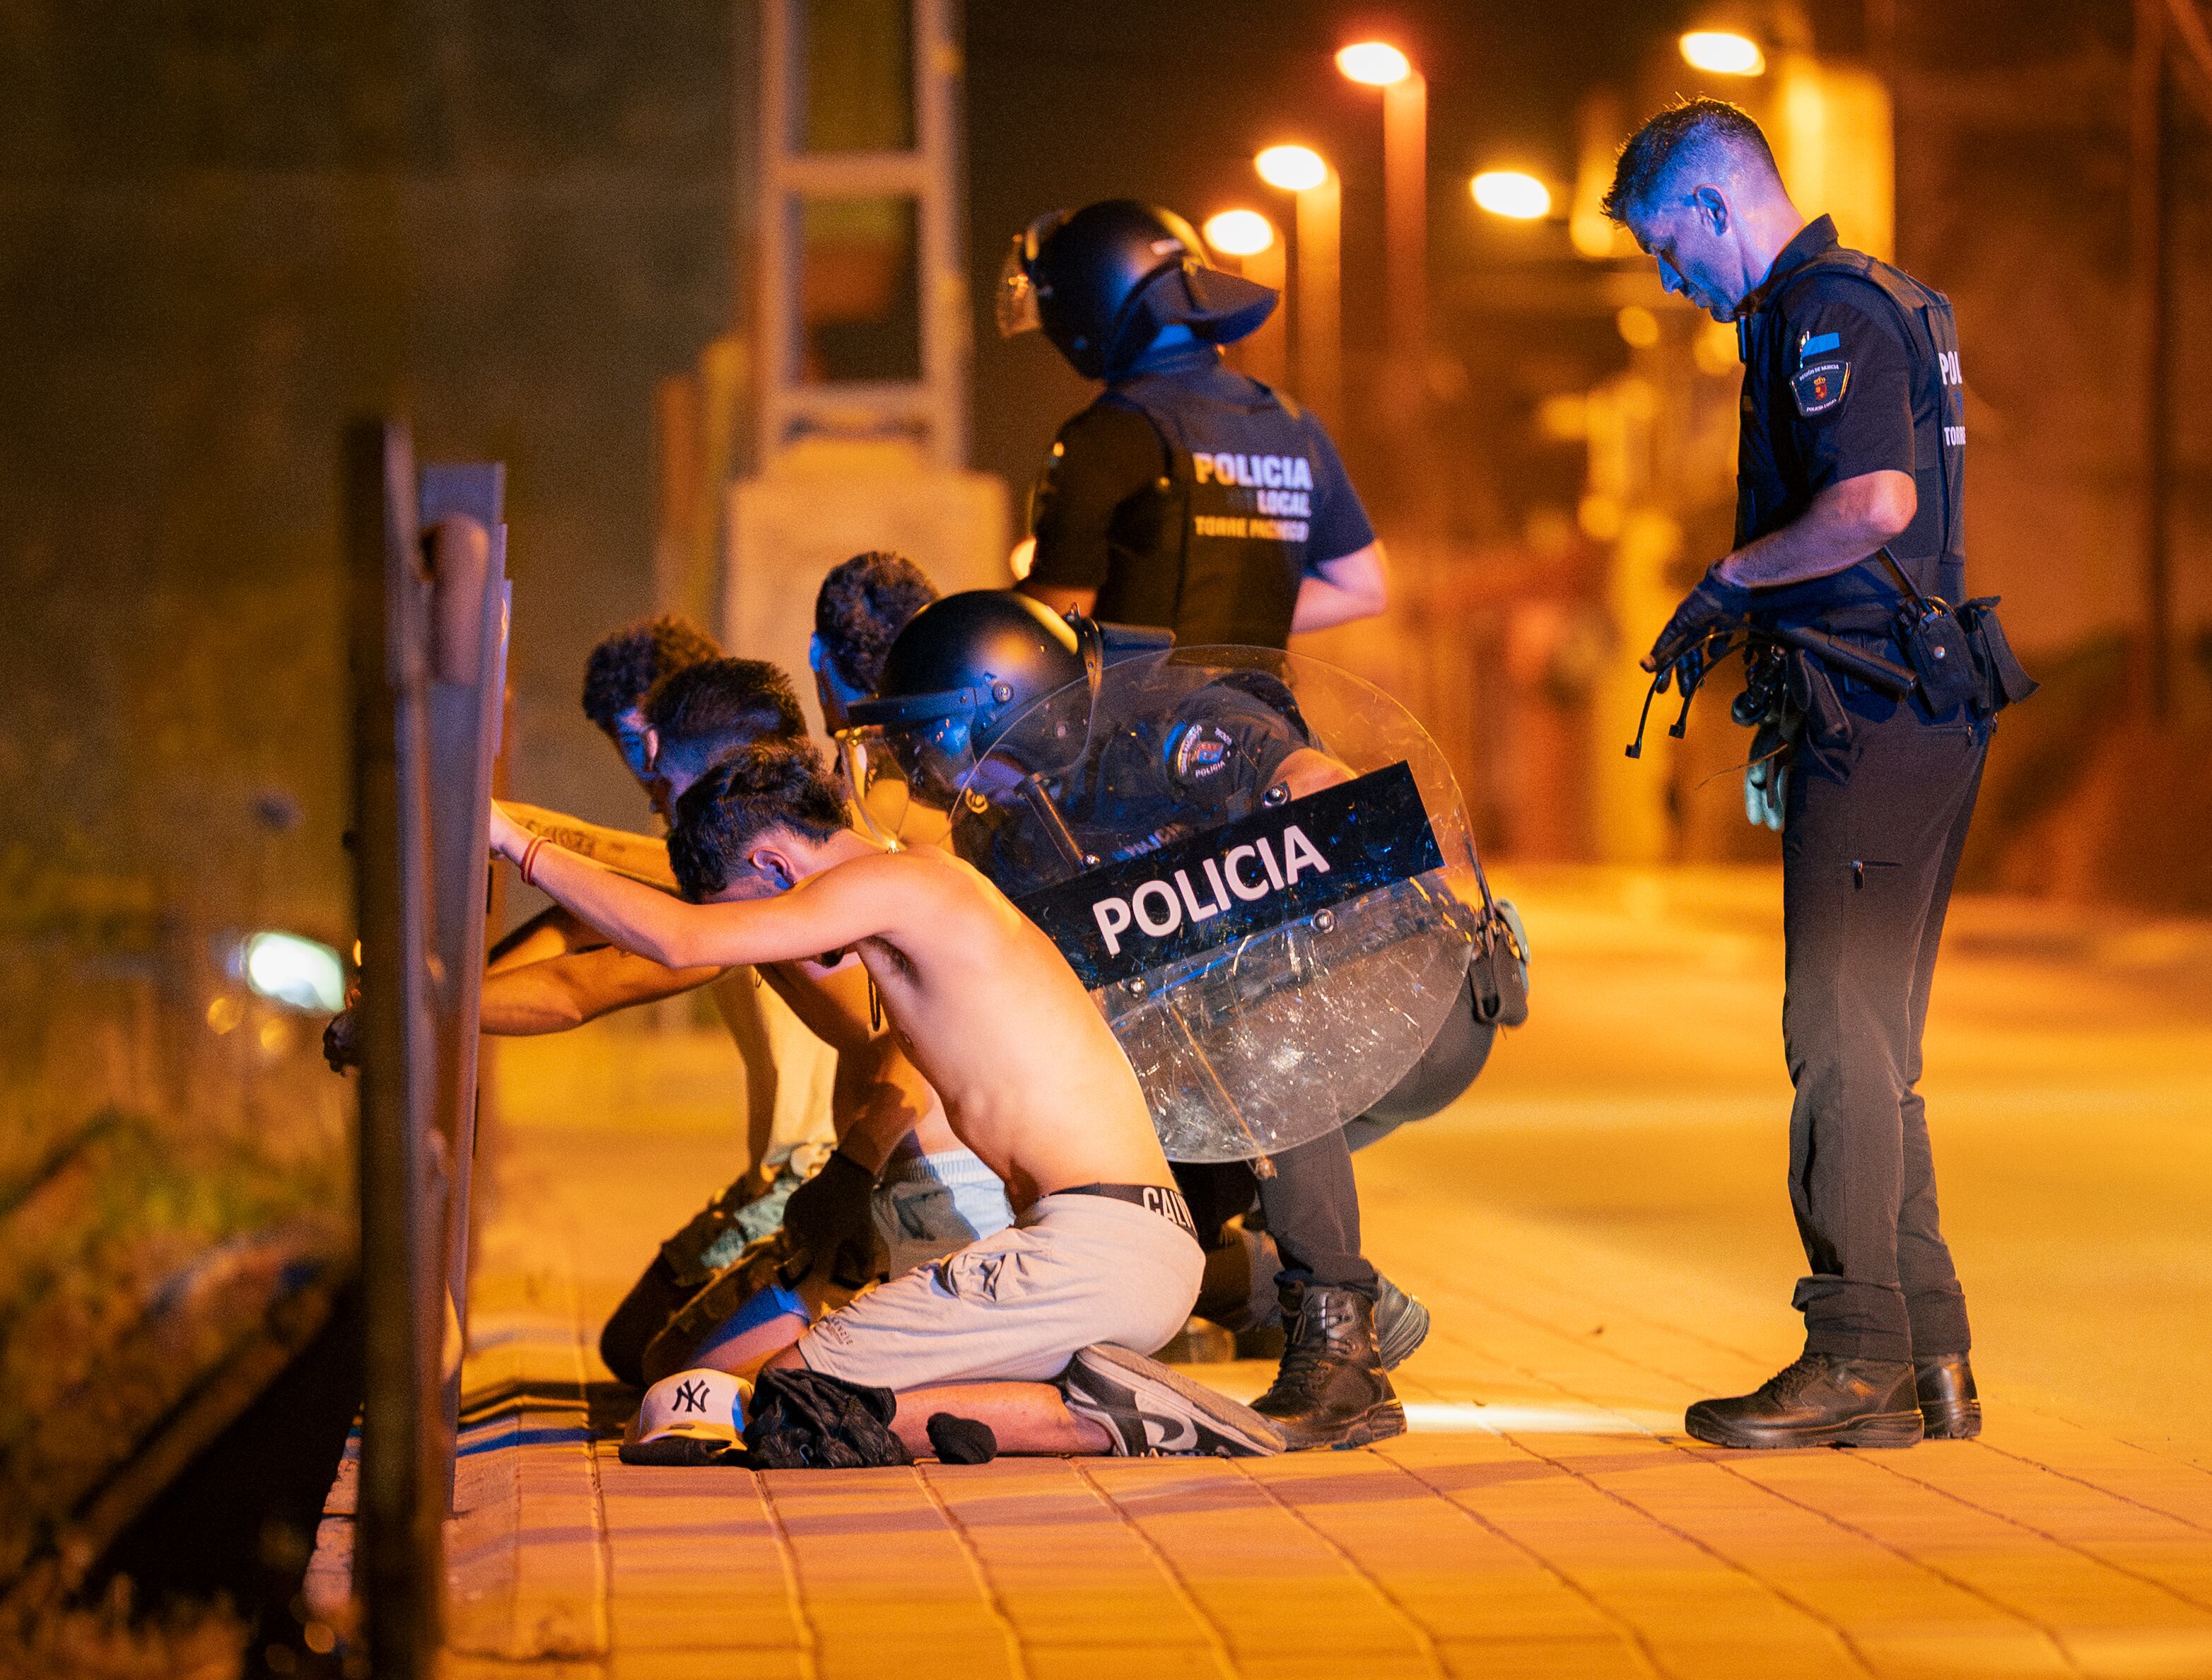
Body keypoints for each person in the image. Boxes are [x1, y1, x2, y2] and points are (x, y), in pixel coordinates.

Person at [1604, 99, 2032, 1449]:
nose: (1674, 283)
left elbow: (1872, 507)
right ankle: (1927, 1357)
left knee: (1833, 1034)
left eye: (1672, 250)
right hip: (1901, 710)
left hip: (1881, 711)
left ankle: (1850, 1354)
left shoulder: (1820, 311)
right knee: (1871, 1049)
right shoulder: (1858, 298)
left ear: (1718, 205)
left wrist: (1730, 576)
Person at [485, 740, 1283, 1459]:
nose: (774, 945)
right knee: (763, 1396)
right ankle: (1103, 1403)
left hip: (1087, 1256)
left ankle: (1103, 1421)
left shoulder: (898, 886)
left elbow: (678, 938)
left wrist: (514, 843)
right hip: (1124, 1249)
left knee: (779, 1401)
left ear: (771, 867)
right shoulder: (929, 892)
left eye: (753, 915)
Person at [850, 590, 1495, 1449]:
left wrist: (1265, 847)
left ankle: (1344, 1350)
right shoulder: (1003, 834)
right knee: (1130, 1219)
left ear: (1004, 699)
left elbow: (1310, 782)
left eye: (935, 743)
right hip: (1243, 1055)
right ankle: (1312, 1292)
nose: (930, 775)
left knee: (1256, 1034)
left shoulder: (1164, 723)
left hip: (1408, 995)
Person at [999, 199, 1388, 646]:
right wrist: (1238, 620)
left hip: (1135, 714)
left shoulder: (1105, 435)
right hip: (1258, 714)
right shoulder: (1296, 427)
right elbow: (1364, 588)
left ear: (1087, 307)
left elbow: (1058, 619)